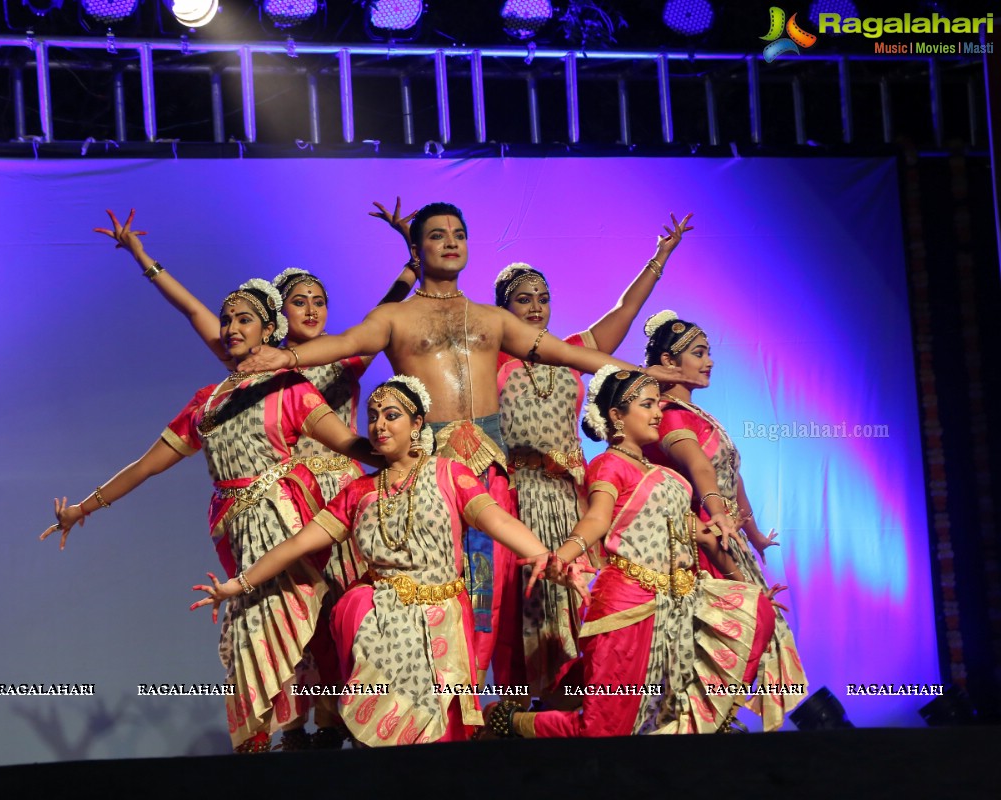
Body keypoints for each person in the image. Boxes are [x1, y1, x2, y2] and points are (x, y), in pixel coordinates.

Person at [239, 201, 680, 682]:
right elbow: (344, 344)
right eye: (437, 235)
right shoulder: (394, 317)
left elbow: (568, 352)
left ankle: (472, 712)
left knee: (490, 593)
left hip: (489, 468)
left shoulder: (492, 319)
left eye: (458, 234)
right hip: (427, 471)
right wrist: (283, 360)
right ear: (417, 247)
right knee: (437, 589)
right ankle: (432, 708)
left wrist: (638, 371)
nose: (450, 242)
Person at [38, 278, 380, 752]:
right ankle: (270, 740)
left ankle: (311, 734)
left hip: (284, 520)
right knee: (250, 632)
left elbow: (349, 443)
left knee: (296, 625)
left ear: (268, 330)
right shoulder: (208, 401)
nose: (233, 327)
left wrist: (401, 452)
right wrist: (82, 508)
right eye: (228, 320)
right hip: (235, 532)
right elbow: (147, 465)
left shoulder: (290, 387)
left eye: (245, 320)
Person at [192, 376, 581, 745]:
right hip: (378, 622)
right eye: (373, 417)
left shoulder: (449, 474)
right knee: (379, 732)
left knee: (439, 737)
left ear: (417, 424)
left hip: (441, 620)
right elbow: (296, 545)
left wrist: (547, 558)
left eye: (391, 415)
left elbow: (499, 521)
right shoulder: (358, 492)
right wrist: (237, 585)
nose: (379, 425)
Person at [482, 367, 779, 738]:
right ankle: (509, 723)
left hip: (678, 605)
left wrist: (746, 586)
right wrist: (566, 552)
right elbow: (596, 518)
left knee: (758, 615)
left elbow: (700, 535)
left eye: (658, 404)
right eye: (647, 404)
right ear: (617, 416)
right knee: (603, 729)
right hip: (628, 606)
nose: (658, 413)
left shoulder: (671, 478)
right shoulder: (610, 465)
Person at [488, 212, 692, 697]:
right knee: (533, 601)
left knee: (588, 597)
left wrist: (659, 258)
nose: (536, 307)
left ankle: (592, 702)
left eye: (543, 298)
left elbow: (624, 310)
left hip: (576, 494)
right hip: (523, 497)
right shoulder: (490, 360)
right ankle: (530, 709)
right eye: (523, 299)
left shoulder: (573, 350)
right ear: (502, 309)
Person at [640, 310, 808, 731]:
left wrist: (753, 534)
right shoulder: (668, 415)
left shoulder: (698, 415)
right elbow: (701, 472)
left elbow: (733, 479)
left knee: (749, 631)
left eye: (709, 352)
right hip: (699, 543)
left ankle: (718, 723)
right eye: (699, 353)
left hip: (727, 536)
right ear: (668, 361)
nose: (710, 361)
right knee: (717, 638)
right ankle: (692, 726)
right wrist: (722, 517)